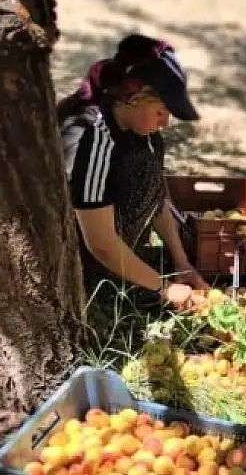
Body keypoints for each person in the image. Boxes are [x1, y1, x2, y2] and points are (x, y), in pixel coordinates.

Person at [57, 33, 207, 302]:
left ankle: (128, 276)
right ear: (131, 97)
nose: (166, 123)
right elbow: (100, 243)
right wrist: (163, 289)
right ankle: (101, 292)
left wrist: (181, 263)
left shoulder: (144, 132)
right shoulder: (92, 138)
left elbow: (157, 196)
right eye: (161, 112)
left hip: (122, 259)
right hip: (81, 269)